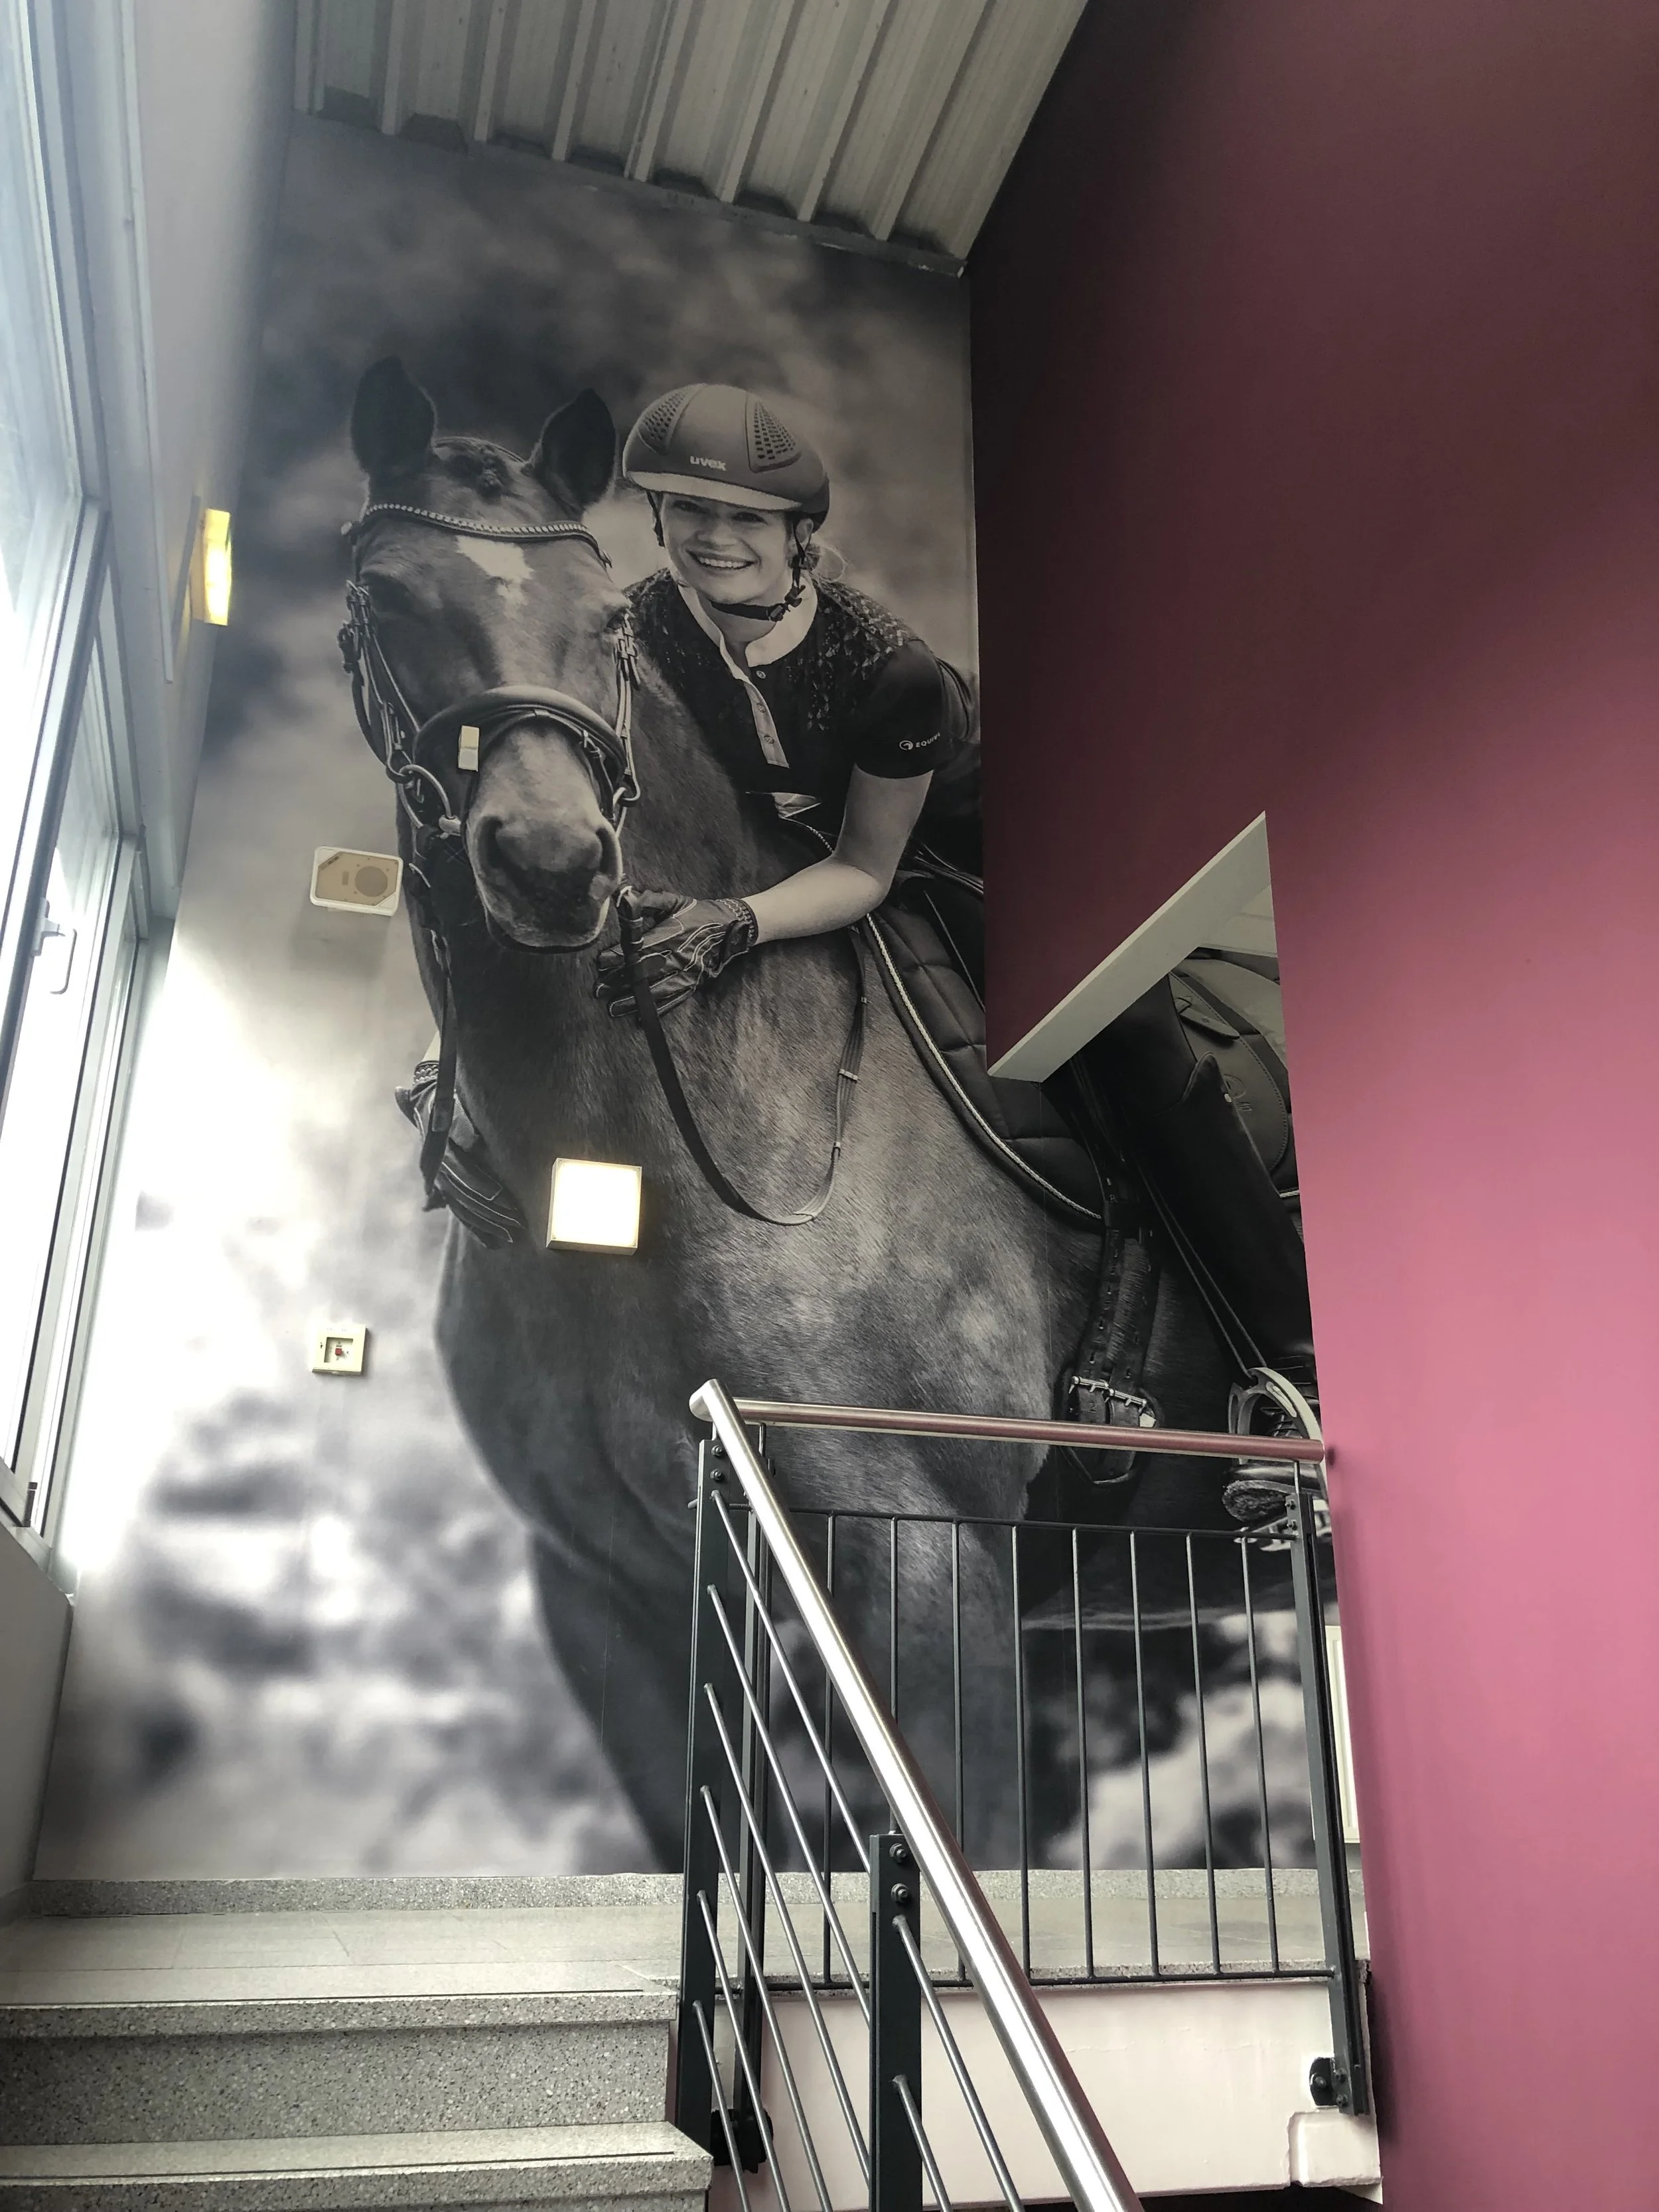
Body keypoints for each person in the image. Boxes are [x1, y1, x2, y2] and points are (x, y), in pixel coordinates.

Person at [594, 382, 979, 1017]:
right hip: (772, 848)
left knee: (1126, 1035)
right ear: (658, 515)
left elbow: (863, 868)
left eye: (747, 516)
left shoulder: (886, 662)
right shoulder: (628, 633)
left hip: (940, 843)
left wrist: (733, 922)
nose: (716, 537)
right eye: (691, 507)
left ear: (798, 534)